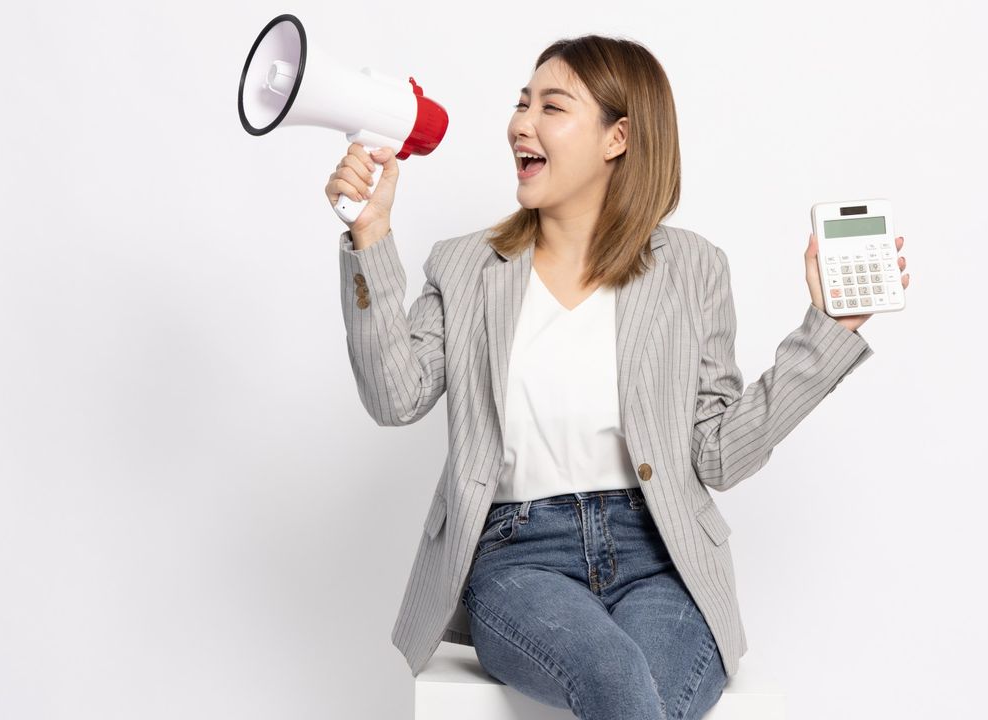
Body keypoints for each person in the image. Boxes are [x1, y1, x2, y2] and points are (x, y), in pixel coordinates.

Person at [325, 35, 909, 720]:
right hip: (520, 559)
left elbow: (718, 454)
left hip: (660, 556)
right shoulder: (465, 266)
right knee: (616, 679)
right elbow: (395, 398)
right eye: (521, 103)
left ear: (617, 138)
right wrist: (370, 238)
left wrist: (830, 331)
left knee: (643, 698)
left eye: (552, 106)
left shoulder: (692, 268)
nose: (520, 123)